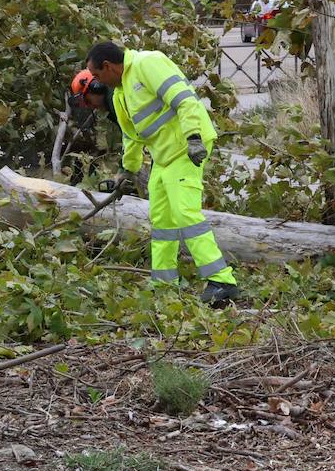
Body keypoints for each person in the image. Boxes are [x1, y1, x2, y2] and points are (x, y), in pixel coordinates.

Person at [85, 41, 240, 306]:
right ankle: (165, 284)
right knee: (162, 221)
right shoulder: (121, 92)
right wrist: (126, 172)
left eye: (98, 75)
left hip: (187, 148)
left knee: (185, 213)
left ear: (108, 66)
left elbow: (185, 100)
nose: (99, 82)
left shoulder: (148, 63)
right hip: (164, 157)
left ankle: (222, 281)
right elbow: (131, 136)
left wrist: (193, 137)